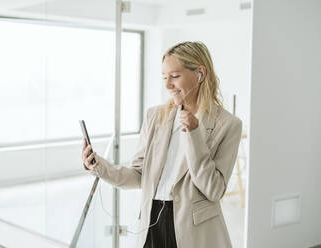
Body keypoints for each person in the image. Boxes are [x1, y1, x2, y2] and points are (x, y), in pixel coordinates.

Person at [82, 41, 243, 248]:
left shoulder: (228, 125)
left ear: (200, 74)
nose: (168, 85)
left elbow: (213, 190)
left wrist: (193, 134)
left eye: (175, 76)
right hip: (151, 221)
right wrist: (99, 166)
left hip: (193, 231)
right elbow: (138, 175)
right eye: (165, 78)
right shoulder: (155, 117)